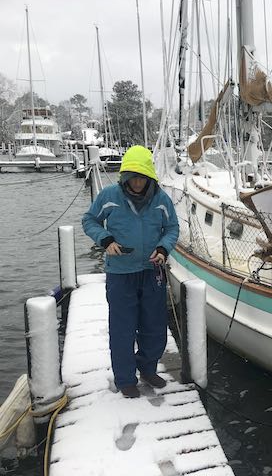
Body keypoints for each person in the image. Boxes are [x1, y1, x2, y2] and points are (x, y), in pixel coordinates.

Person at [82, 145, 179, 398]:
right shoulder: (110, 195)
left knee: (154, 326)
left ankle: (148, 368)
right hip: (120, 274)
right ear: (124, 176)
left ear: (149, 177)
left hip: (151, 271)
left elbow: (172, 228)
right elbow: (89, 220)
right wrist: (105, 240)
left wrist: (163, 248)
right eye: (132, 176)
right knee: (123, 328)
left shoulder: (161, 199)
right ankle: (125, 378)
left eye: (142, 177)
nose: (137, 182)